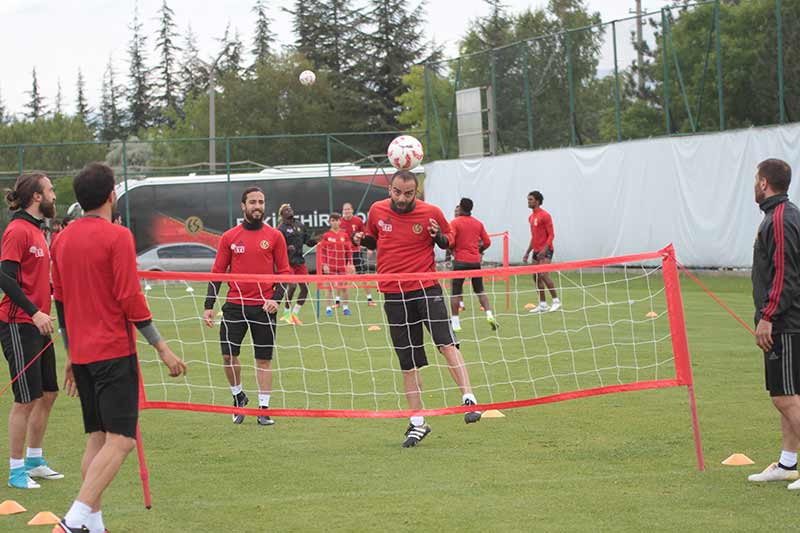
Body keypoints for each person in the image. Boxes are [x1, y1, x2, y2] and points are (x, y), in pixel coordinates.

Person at [51, 162, 186, 533]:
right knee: (122, 440)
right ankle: (73, 521)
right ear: (111, 195)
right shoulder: (117, 237)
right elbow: (130, 297)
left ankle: (92, 525)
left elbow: (59, 301)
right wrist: (162, 347)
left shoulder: (61, 239)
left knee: (98, 437)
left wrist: (71, 352)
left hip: (83, 355)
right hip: (112, 352)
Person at [353, 170, 481, 448]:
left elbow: (450, 241)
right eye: (397, 192)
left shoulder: (431, 212)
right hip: (392, 292)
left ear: (417, 192)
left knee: (446, 343)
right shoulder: (376, 210)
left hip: (426, 288)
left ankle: (469, 399)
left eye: (408, 193)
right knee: (407, 361)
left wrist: (438, 237)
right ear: (390, 190)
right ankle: (417, 422)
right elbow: (374, 240)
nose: (402, 198)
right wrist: (360, 240)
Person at [202, 187, 291, 427]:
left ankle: (263, 409)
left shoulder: (275, 236)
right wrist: (209, 305)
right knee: (228, 356)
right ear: (243, 206)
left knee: (263, 360)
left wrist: (276, 299)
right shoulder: (229, 237)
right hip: (234, 306)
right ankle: (238, 397)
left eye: (261, 202)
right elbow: (217, 273)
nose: (257, 206)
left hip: (264, 308)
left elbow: (285, 273)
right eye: (252, 202)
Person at [0, 172, 62, 490]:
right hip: (17, 324)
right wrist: (34, 312)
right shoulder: (17, 230)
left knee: (48, 393)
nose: (54, 195)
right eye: (50, 190)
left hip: (39, 324)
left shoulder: (39, 231)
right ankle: (15, 471)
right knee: (24, 399)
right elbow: (5, 277)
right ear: (37, 197)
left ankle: (35, 461)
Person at [746, 159, 800, 489]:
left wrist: (768, 316)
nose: (754, 184)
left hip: (785, 321)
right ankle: (787, 463)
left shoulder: (780, 218)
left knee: (783, 397)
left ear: (765, 183)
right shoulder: (778, 215)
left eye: (756, 179)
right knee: (790, 393)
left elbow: (785, 274)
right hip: (787, 319)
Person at [448, 198, 496, 332]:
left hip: (460, 261)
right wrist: (478, 251)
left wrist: (453, 249)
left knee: (455, 292)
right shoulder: (478, 224)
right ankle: (489, 314)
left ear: (461, 208)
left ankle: (456, 322)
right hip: (475, 261)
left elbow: (450, 241)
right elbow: (487, 242)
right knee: (480, 290)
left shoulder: (455, 222)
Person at [277, 203, 316, 325]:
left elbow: (307, 240)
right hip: (287, 262)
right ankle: (287, 313)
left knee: (305, 287)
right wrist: (287, 247)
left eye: (290, 209)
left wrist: (315, 241)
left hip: (299, 261)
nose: (289, 211)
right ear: (282, 214)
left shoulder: (300, 225)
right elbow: (277, 246)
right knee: (292, 286)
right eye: (286, 210)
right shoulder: (280, 229)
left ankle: (295, 314)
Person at [522, 190, 560, 313]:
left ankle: (556, 301)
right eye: (528, 199)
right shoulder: (531, 217)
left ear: (537, 201)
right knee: (536, 276)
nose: (528, 202)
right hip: (536, 250)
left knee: (544, 274)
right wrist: (528, 252)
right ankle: (543, 304)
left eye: (530, 199)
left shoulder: (545, 215)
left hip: (547, 249)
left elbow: (551, 235)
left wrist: (545, 249)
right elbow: (534, 237)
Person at [320, 212, 354, 317]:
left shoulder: (344, 235)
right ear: (330, 222)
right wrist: (324, 264)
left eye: (337, 220)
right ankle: (328, 309)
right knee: (329, 288)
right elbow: (323, 251)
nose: (335, 222)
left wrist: (350, 263)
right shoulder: (326, 236)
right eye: (332, 220)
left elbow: (349, 250)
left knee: (344, 287)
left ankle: (345, 308)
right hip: (330, 266)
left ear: (340, 221)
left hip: (341, 265)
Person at [341, 202, 375, 306]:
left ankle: (370, 300)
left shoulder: (358, 221)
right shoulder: (340, 222)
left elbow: (365, 234)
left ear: (352, 210)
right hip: (344, 253)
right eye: (345, 209)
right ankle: (339, 302)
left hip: (356, 252)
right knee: (342, 277)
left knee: (363, 276)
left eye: (348, 209)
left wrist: (369, 247)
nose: (346, 211)